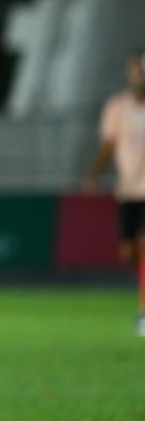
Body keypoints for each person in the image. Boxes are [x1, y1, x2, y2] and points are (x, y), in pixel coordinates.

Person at [84, 50, 145, 334]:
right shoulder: (117, 107)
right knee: (128, 253)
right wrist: (94, 175)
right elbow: (109, 145)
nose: (138, 75)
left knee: (144, 247)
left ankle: (144, 311)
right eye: (135, 70)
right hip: (127, 190)